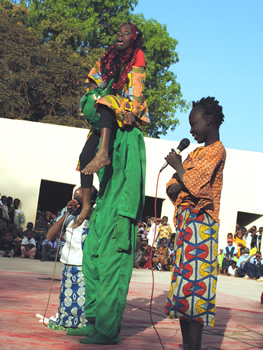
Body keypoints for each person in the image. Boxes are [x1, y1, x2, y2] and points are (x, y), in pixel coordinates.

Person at [66, 85, 146, 343]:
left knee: (112, 270)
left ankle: (108, 330)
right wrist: (89, 205)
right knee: (91, 262)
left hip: (121, 209)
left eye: (99, 115)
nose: (95, 120)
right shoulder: (101, 137)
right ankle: (93, 322)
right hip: (103, 207)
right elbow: (85, 165)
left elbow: (134, 177)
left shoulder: (130, 136)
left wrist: (126, 215)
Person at [164, 97, 226, 350]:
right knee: (182, 294)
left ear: (209, 120)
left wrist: (180, 170)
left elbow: (198, 186)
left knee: (195, 293)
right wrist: (182, 177)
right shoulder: (195, 153)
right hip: (187, 226)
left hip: (202, 227)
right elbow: (172, 187)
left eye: (194, 123)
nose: (191, 130)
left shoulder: (216, 150)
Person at [73, 22, 149, 228]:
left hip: (122, 106)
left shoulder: (137, 55)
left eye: (126, 33)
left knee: (106, 102)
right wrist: (92, 93)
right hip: (105, 111)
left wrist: (133, 112)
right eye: (119, 32)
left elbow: (137, 87)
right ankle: (87, 205)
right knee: (84, 156)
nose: (121, 35)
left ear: (133, 39)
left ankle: (104, 153)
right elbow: (94, 78)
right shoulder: (108, 55)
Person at [47, 186, 97, 330]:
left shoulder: (94, 214)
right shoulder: (67, 212)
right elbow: (50, 236)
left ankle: (84, 324)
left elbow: (97, 225)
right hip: (69, 263)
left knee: (82, 299)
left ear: (91, 200)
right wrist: (67, 214)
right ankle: (66, 320)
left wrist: (84, 210)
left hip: (86, 264)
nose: (79, 189)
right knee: (67, 297)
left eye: (83, 190)